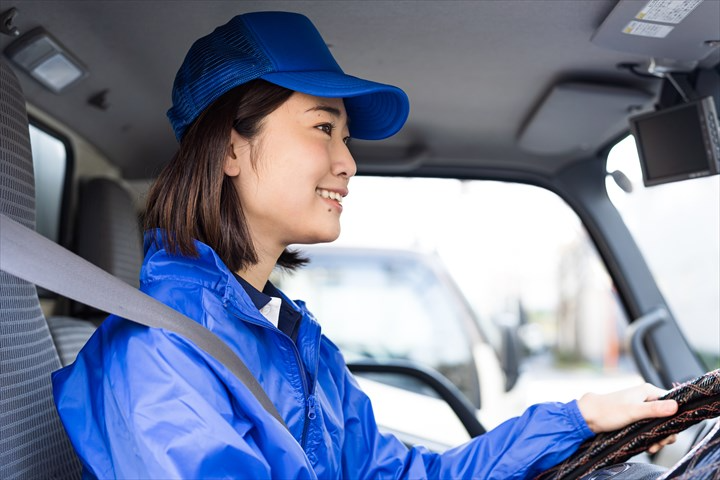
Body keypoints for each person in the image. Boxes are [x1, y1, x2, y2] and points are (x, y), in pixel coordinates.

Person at [52, 11, 678, 479]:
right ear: (230, 149)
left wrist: (578, 420)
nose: (347, 162)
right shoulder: (159, 355)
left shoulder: (292, 338)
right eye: (323, 128)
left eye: (345, 137)